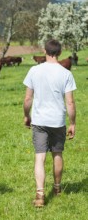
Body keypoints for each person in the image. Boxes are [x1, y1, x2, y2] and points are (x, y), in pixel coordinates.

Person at [23, 39, 76, 207]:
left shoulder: (34, 70)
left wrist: (26, 115)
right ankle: (57, 188)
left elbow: (28, 98)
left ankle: (40, 195)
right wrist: (72, 123)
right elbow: (70, 103)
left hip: (39, 120)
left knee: (40, 157)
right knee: (57, 154)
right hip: (58, 121)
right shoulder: (66, 73)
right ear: (59, 53)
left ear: (44, 51)